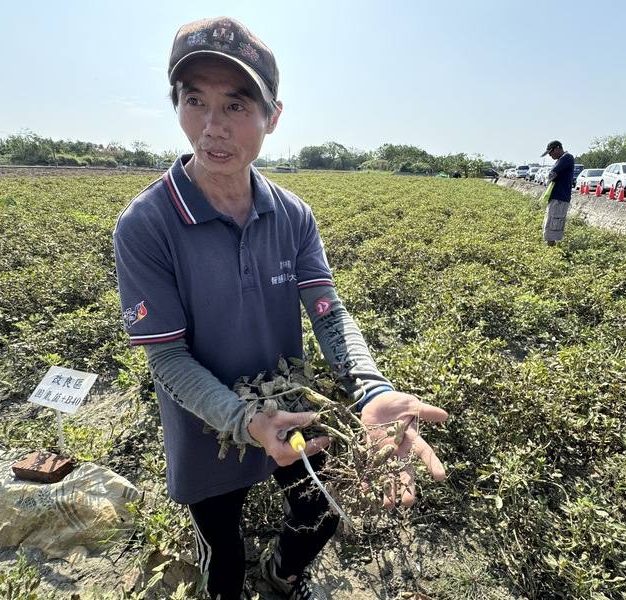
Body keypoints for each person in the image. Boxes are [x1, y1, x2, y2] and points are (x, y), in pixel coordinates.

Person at [112, 17, 449, 600]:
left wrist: (370, 388)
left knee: (320, 512)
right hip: (204, 426)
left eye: (237, 106)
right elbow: (166, 358)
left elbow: (326, 310)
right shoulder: (147, 225)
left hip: (289, 410)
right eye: (195, 102)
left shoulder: (291, 215)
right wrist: (242, 419)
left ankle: (282, 577)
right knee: (221, 547)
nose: (213, 128)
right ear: (178, 105)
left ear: (273, 115)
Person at [540, 140, 574, 246]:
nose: (550, 155)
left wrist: (548, 179)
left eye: (551, 152)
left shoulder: (566, 157)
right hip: (557, 196)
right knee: (551, 221)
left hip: (560, 197)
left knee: (554, 223)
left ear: (557, 148)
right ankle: (550, 246)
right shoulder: (561, 159)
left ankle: (551, 248)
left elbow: (552, 173)